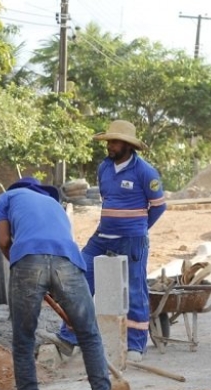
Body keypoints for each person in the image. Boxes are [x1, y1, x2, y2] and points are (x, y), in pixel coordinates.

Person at [0, 176, 129, 390]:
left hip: (27, 260)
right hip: (67, 261)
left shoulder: (7, 198)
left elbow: (2, 240)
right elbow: (56, 247)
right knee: (89, 336)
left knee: (23, 343)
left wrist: (22, 266)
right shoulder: (54, 204)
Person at [52, 120, 166, 363]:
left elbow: (158, 206)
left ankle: (135, 346)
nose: (110, 146)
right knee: (79, 276)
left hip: (132, 240)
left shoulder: (145, 172)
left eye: (114, 142)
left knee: (135, 289)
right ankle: (70, 337)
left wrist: (139, 228)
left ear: (127, 145)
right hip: (102, 237)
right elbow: (107, 199)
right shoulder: (104, 168)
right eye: (108, 142)